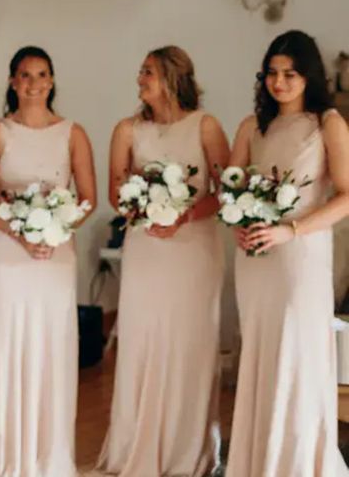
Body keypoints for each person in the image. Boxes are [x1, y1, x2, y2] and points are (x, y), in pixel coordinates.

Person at [94, 46, 229, 477]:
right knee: (143, 339)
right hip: (146, 248)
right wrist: (146, 210)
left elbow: (226, 191)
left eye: (147, 72)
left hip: (195, 251)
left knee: (191, 343)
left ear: (172, 77)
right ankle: (137, 446)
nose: (140, 79)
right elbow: (116, 192)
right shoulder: (127, 130)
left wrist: (183, 215)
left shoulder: (205, 126)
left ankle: (189, 451)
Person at [226, 30, 349, 476]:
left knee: (296, 351)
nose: (279, 83)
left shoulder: (327, 123)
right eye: (272, 74)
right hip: (255, 258)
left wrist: (289, 230)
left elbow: (347, 196)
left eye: (289, 74)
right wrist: (238, 226)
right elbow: (230, 190)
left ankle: (296, 463)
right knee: (261, 351)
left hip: (300, 256)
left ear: (308, 76)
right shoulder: (251, 127)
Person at [0, 46, 97, 477]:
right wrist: (19, 232)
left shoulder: (73, 134)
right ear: (12, 81)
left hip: (55, 255)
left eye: (42, 75)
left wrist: (54, 231)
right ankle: (4, 455)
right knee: (7, 342)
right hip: (7, 254)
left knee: (51, 344)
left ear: (52, 80)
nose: (34, 83)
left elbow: (88, 198)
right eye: (25, 75)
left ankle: (49, 455)